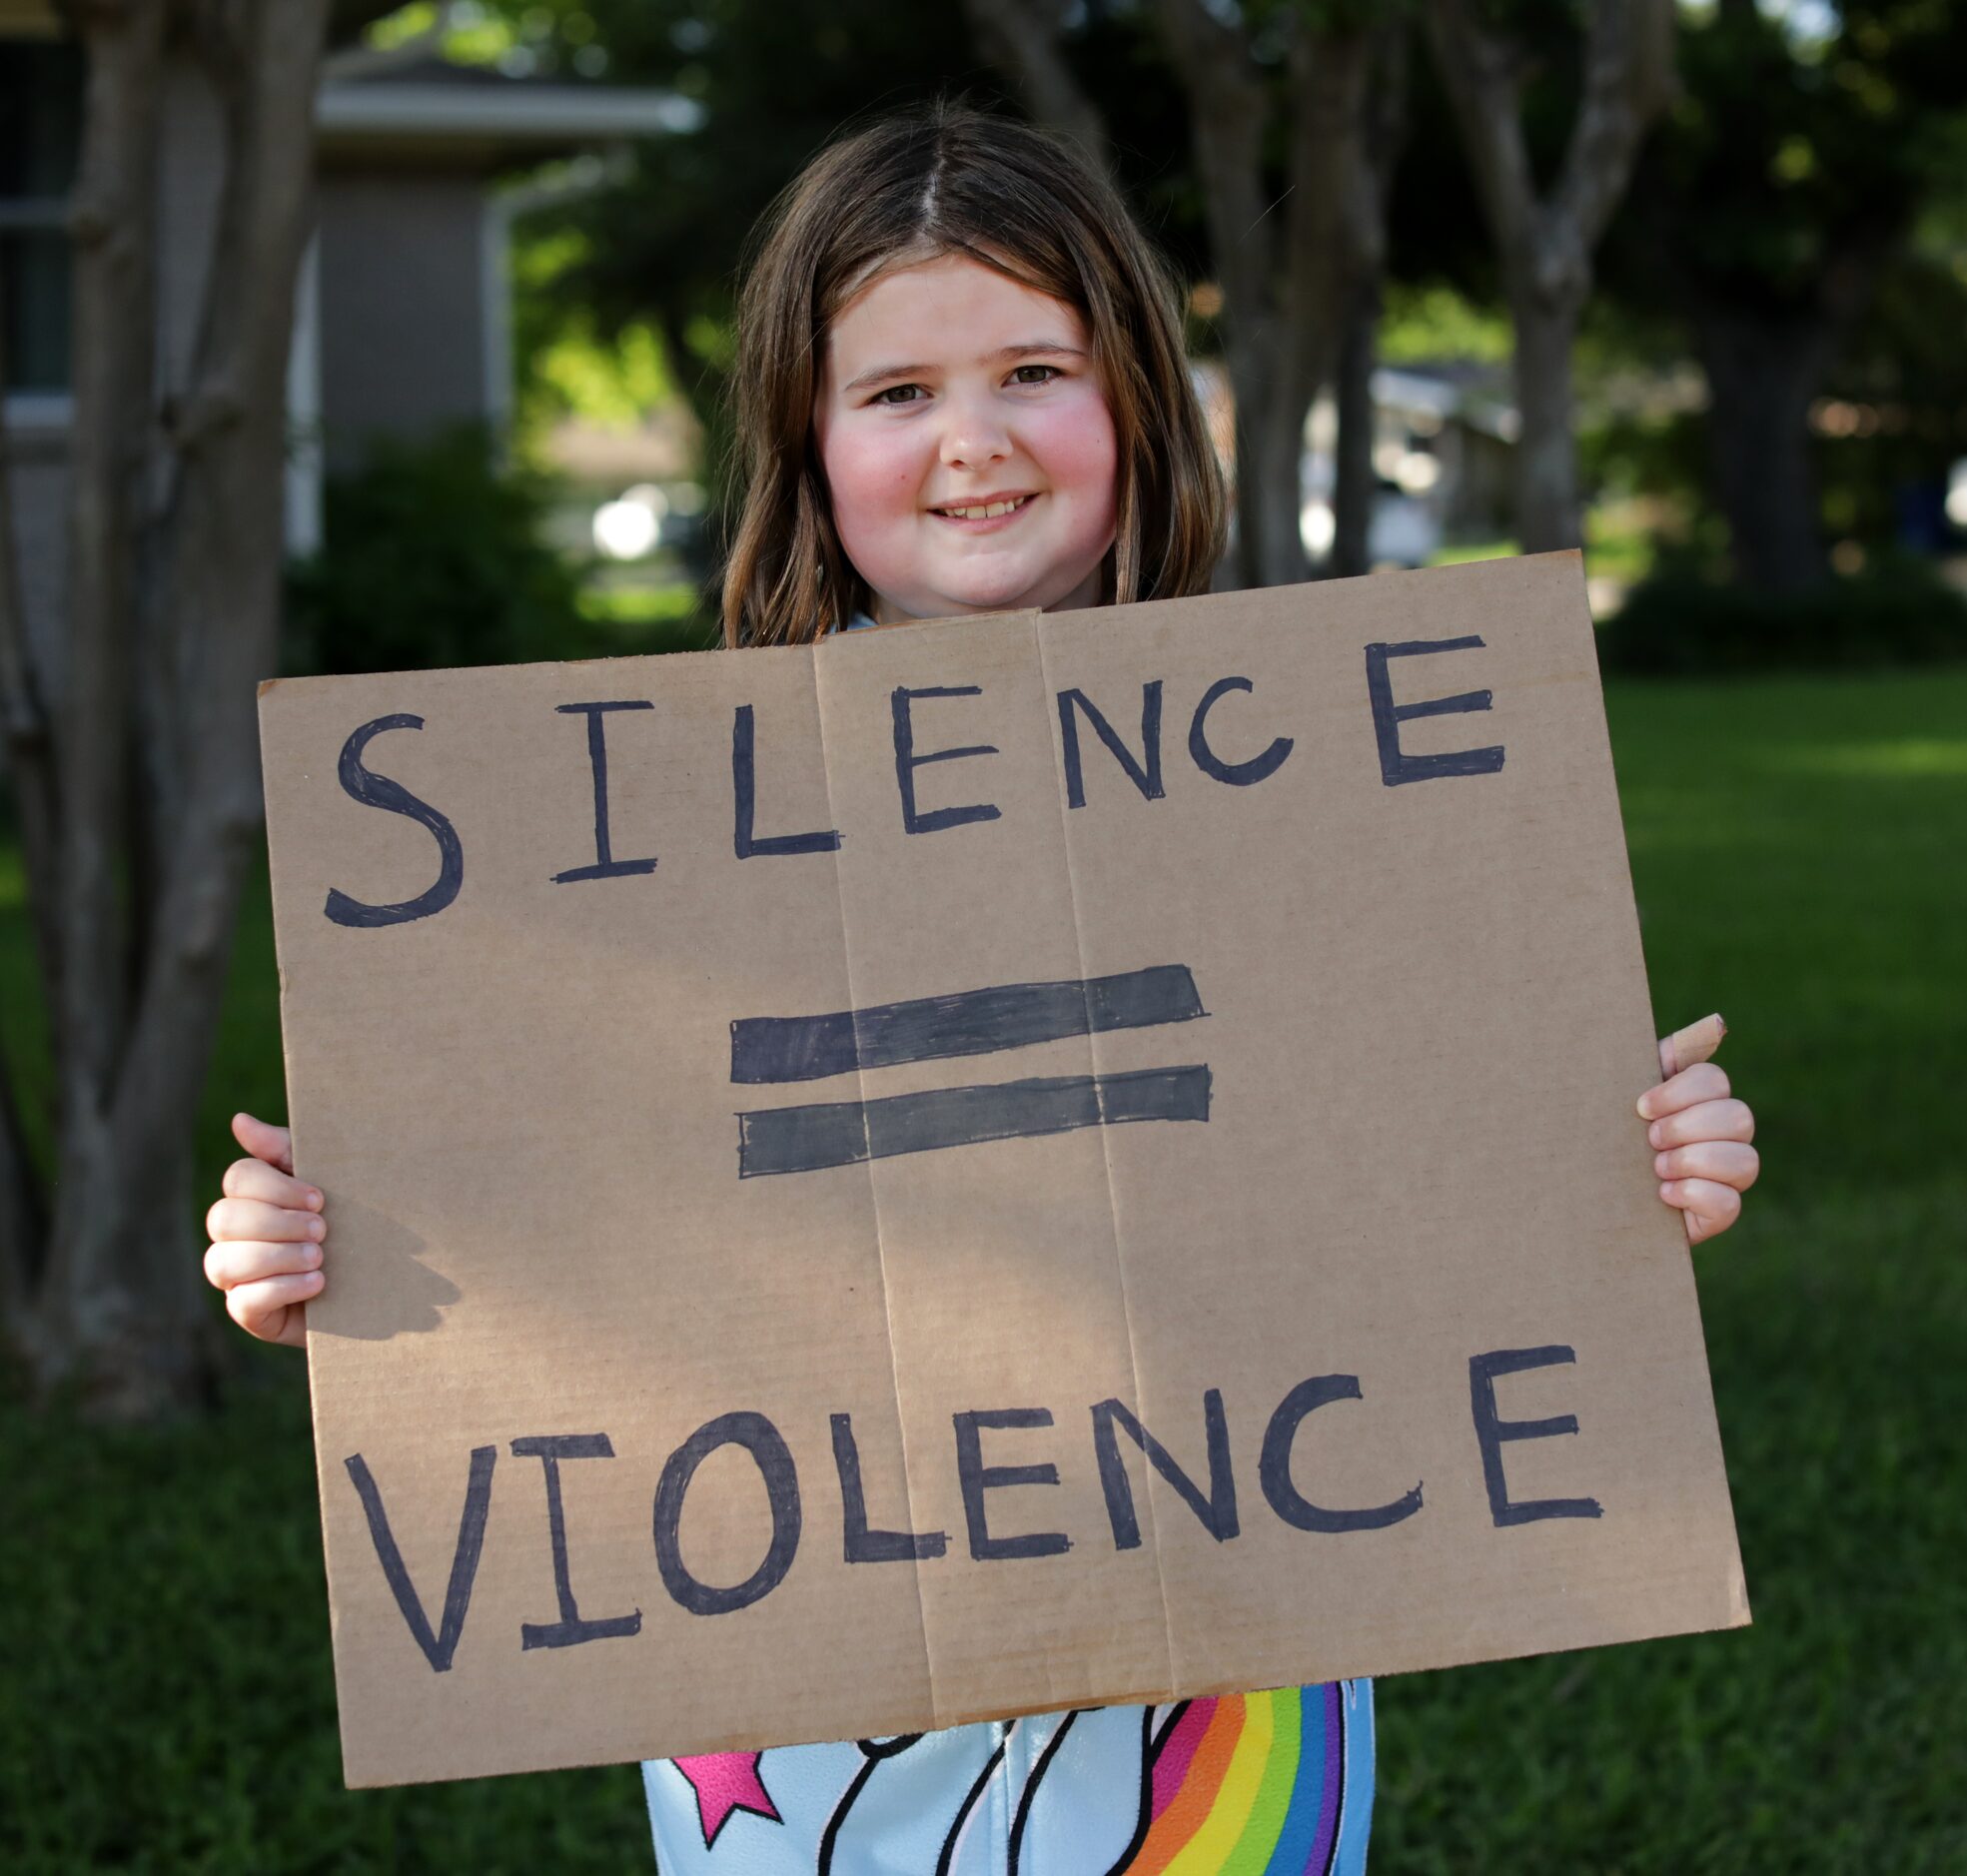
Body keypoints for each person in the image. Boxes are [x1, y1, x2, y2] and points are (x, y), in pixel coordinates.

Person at [203, 104, 1761, 1875]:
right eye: (895, 394)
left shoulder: (1323, 791)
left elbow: (1415, 1153)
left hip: (1224, 1666)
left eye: (1034, 367)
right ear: (809, 435)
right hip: (801, 1689)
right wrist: (332, 1253)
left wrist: (1624, 1168)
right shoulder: (643, 839)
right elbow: (570, 1190)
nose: (973, 443)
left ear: (1134, 401)